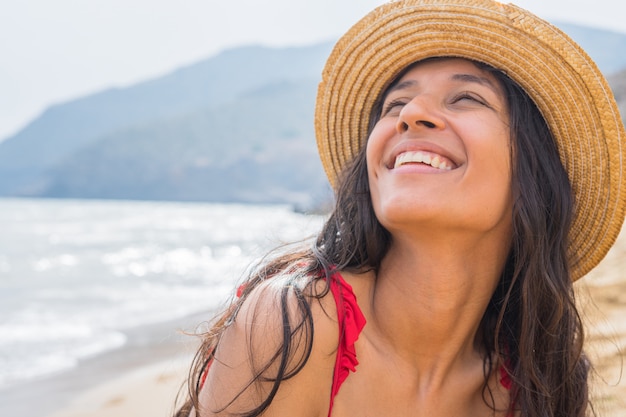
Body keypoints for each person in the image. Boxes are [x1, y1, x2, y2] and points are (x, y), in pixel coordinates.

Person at [174, 1, 626, 416]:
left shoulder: (540, 385)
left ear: (535, 168)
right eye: (395, 104)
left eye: (466, 97)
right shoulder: (294, 324)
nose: (411, 114)